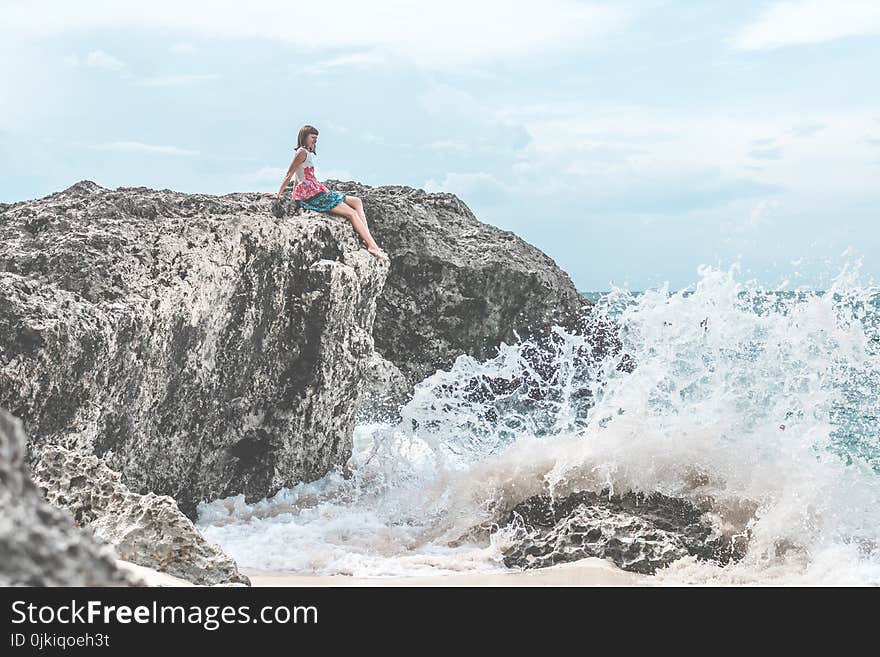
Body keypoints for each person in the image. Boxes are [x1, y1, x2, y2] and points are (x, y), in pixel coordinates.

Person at [266, 125, 388, 261]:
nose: (315, 141)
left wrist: (295, 193)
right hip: (312, 194)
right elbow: (290, 173)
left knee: (357, 201)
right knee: (351, 213)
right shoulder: (301, 152)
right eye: (313, 138)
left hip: (316, 190)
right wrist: (279, 194)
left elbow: (298, 176)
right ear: (304, 137)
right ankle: (372, 246)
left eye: (316, 138)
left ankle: (367, 238)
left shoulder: (306, 153)